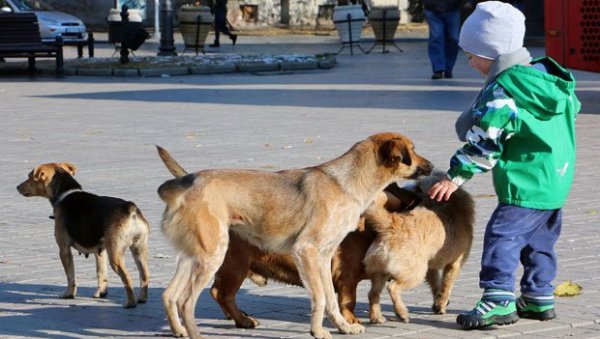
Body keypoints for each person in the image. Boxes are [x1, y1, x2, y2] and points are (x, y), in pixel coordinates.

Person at [428, 1, 581, 330]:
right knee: (539, 241)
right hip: (556, 178)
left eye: (471, 56)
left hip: (524, 182)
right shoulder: (547, 76)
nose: (469, 62)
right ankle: (539, 297)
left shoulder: (504, 92)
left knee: (502, 236)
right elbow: (572, 110)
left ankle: (497, 299)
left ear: (492, 53)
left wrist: (455, 177)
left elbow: (487, 141)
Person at [422, 0, 466, 79]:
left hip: (452, 7)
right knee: (436, 37)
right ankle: (438, 69)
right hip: (432, 7)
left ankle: (448, 67)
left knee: (454, 38)